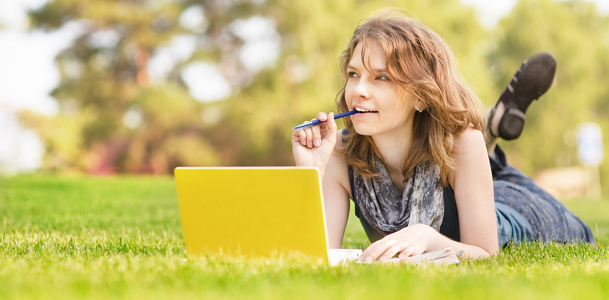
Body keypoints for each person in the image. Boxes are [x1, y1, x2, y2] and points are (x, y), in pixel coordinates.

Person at [291, 10, 595, 262]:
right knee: (465, 150)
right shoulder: (340, 152)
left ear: (421, 96)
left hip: (514, 212)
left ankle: (484, 133)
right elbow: (318, 257)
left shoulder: (461, 143)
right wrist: (312, 172)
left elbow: (486, 253)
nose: (358, 91)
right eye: (354, 75)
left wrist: (427, 237)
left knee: (464, 141)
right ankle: (490, 129)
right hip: (458, 170)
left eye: (381, 77)